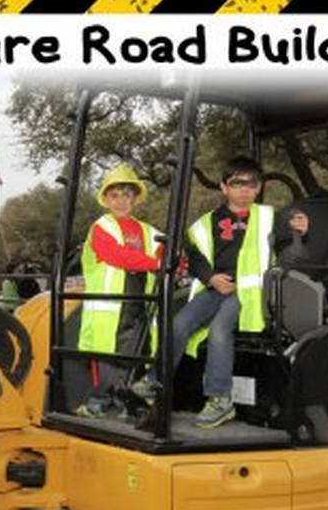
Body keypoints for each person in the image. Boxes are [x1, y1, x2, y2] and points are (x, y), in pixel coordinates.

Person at [134, 155, 308, 428]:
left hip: (248, 293)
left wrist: (300, 230)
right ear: (224, 187)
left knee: (218, 330)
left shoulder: (269, 217)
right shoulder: (208, 222)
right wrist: (211, 278)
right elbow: (194, 255)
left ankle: (220, 399)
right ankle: (155, 380)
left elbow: (290, 244)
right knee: (178, 324)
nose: (245, 189)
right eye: (237, 183)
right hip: (216, 287)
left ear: (259, 188)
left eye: (251, 184)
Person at [76, 164, 163, 417]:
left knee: (134, 353)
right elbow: (117, 255)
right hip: (108, 307)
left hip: (138, 302)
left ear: (135, 198)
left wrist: (173, 260)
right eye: (114, 195)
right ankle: (97, 402)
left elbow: (169, 253)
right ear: (105, 199)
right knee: (106, 355)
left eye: (126, 195)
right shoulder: (102, 227)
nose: (121, 201)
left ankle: (126, 402)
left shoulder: (148, 231)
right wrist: (156, 263)